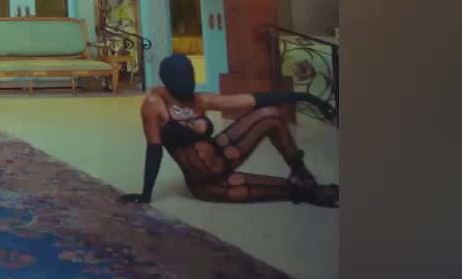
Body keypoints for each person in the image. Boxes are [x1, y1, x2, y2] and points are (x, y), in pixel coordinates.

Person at [118, 54, 339, 207]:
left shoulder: (200, 99)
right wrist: (145, 194)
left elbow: (254, 100)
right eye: (181, 75)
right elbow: (154, 150)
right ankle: (309, 189)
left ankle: (301, 173)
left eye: (190, 74)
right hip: (208, 184)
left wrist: (306, 97)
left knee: (269, 113)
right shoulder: (154, 105)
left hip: (225, 154)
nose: (188, 80)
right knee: (289, 190)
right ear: (168, 79)